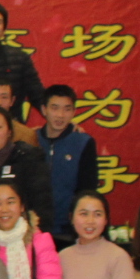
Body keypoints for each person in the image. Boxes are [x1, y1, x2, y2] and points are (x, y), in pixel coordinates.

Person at [37, 85, 99, 240]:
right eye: (55, 108)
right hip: (35, 229)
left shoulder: (83, 142)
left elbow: (87, 189)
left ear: (73, 112)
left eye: (67, 109)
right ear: (44, 110)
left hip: (69, 231)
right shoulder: (31, 139)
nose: (60, 115)